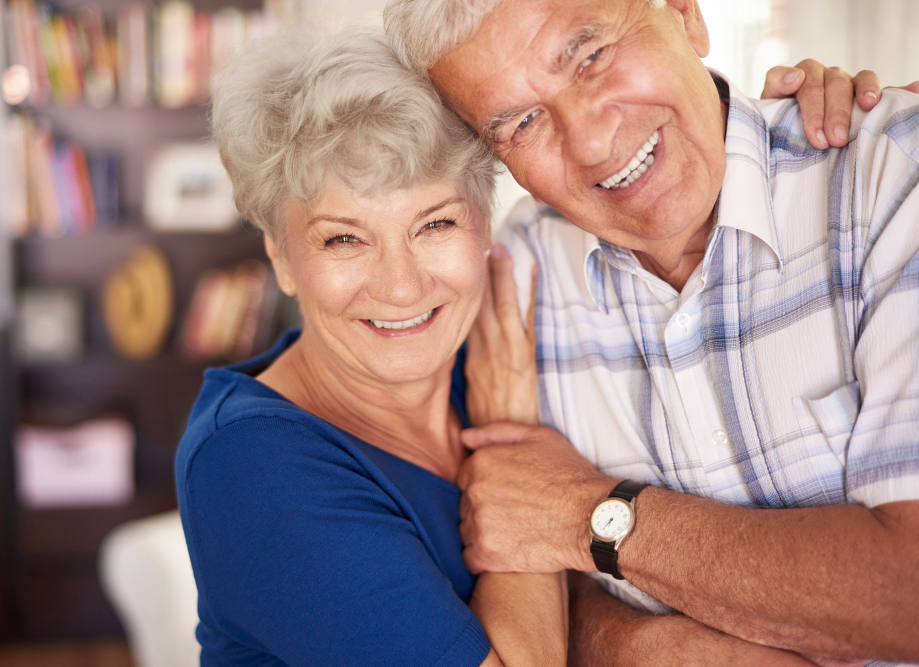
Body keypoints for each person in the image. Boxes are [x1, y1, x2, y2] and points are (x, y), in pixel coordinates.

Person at [383, 0, 919, 665]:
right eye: (521, 123)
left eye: (591, 57)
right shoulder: (510, 277)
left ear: (686, 16)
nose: (591, 142)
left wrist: (584, 515)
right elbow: (491, 555)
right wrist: (649, 647)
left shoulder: (895, 174)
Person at [174, 30, 567, 667]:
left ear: (484, 223)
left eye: (435, 223)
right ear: (281, 257)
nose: (402, 285)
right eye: (344, 239)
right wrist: (517, 453)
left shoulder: (496, 354)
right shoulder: (251, 465)